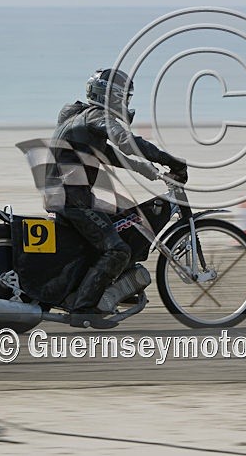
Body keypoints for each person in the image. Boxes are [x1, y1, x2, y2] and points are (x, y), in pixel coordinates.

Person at [52, 68, 187, 328]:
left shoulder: (75, 116)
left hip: (69, 196)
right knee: (118, 249)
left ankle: (100, 288)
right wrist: (169, 160)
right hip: (74, 200)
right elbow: (126, 141)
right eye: (124, 98)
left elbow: (106, 153)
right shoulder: (96, 117)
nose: (126, 104)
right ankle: (84, 309)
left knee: (123, 219)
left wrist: (140, 167)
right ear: (112, 97)